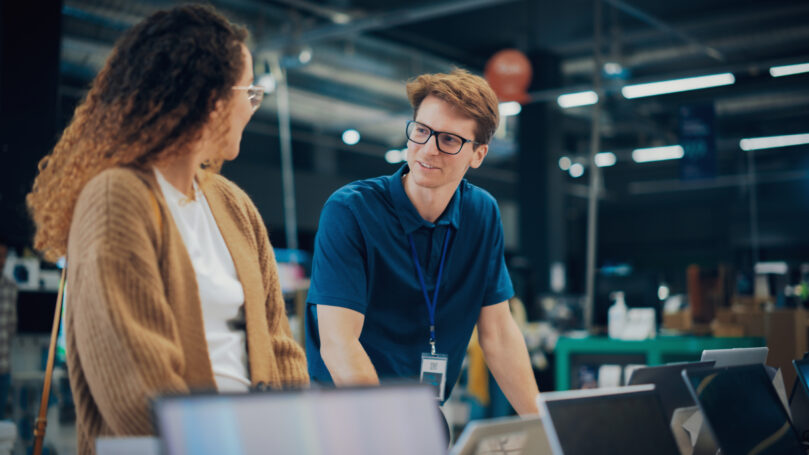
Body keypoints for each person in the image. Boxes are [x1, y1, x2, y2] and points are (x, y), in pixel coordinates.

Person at [26, 6, 308, 452]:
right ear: (211, 99)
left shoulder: (232, 205)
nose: (252, 108)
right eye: (249, 93)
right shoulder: (117, 198)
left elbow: (280, 346)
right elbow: (136, 393)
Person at [305, 69, 539, 415]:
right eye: (421, 131)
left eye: (449, 140)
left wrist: (547, 427)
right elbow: (340, 343)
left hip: (422, 414)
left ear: (478, 154)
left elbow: (500, 335)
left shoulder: (482, 214)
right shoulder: (351, 209)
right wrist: (397, 434)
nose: (428, 150)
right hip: (345, 412)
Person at [0, 239, 17, 420]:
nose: (1, 260)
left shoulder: (12, 288)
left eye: (4, 256)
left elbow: (12, 326)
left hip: (3, 368)